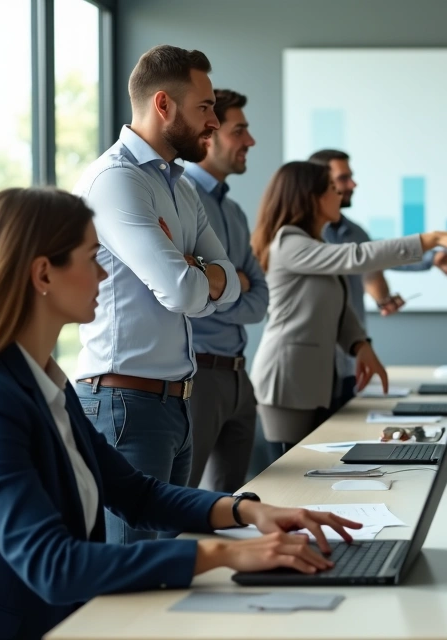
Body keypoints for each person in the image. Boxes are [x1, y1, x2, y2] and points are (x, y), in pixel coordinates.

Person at [0, 188, 364, 640]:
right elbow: (53, 565)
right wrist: (223, 554)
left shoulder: (47, 382)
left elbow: (136, 494)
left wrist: (249, 512)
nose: (104, 273)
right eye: (92, 258)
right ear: (44, 273)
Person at [72, 45, 240, 544]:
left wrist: (196, 271)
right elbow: (184, 294)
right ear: (163, 104)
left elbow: (231, 284)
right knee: (135, 576)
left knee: (167, 564)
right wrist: (199, 275)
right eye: (204, 107)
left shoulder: (182, 187)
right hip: (124, 405)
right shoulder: (116, 181)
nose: (213, 121)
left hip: (175, 404)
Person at [249, 161, 447, 453]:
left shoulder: (313, 244)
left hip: (314, 381)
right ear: (311, 198)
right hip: (287, 381)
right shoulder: (289, 242)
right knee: (290, 467)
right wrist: (433, 239)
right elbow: (359, 257)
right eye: (332, 188)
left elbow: (337, 304)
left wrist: (360, 344)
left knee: (312, 466)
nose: (339, 194)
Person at [307, 149, 447, 410]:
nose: (352, 185)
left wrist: (384, 299)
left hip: (350, 362)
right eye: (343, 178)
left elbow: (371, 267)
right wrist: (432, 242)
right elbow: (365, 256)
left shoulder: (354, 232)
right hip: (314, 366)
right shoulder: (303, 238)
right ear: (321, 184)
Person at [182, 89, 268, 493]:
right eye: (239, 131)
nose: (250, 141)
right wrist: (234, 283)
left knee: (229, 506)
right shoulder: (181, 198)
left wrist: (220, 286)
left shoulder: (233, 211)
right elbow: (187, 290)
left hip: (237, 375)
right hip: (198, 376)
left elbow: (260, 298)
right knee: (182, 506)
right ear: (210, 133)